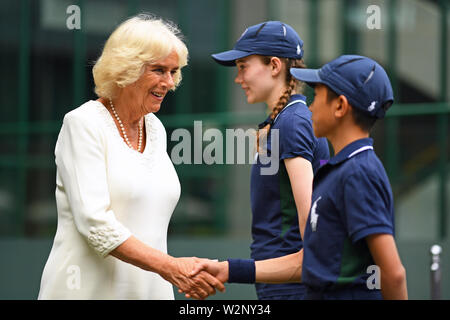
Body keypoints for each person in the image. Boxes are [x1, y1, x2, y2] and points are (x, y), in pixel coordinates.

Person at [191, 55, 408, 300]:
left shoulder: (359, 173)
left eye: (318, 97)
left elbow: (394, 274)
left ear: (340, 106)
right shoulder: (340, 170)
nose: (310, 106)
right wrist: (227, 270)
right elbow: (307, 261)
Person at [38, 14, 224, 300]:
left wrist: (172, 271)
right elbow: (95, 223)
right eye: (159, 70)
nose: (169, 82)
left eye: (174, 71)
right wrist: (171, 267)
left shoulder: (155, 127)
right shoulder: (83, 123)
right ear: (126, 68)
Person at [186, 21, 329, 300]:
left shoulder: (292, 123)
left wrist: (230, 269)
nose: (238, 79)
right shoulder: (286, 120)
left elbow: (313, 234)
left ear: (275, 66)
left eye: (243, 67)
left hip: (292, 290)